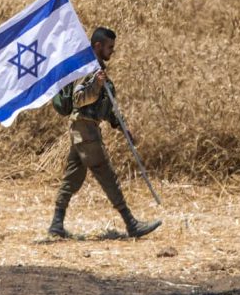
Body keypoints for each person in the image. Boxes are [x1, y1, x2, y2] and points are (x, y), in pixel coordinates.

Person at [48, 27, 162, 239]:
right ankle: (131, 223)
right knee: (105, 173)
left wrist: (122, 126)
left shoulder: (98, 71)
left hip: (83, 130)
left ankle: (56, 225)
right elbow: (78, 99)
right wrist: (96, 86)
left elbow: (108, 107)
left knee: (72, 177)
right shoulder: (88, 71)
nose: (112, 52)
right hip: (85, 128)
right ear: (98, 46)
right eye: (110, 47)